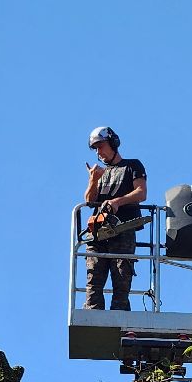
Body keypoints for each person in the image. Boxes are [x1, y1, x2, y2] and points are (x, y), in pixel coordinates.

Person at [81, 125, 147, 310]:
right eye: (95, 148)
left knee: (121, 278)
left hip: (123, 229)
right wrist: (93, 180)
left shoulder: (132, 166)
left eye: (100, 146)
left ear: (113, 143)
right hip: (98, 232)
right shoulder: (99, 173)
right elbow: (89, 201)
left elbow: (141, 193)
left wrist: (118, 201)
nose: (98, 152)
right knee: (93, 278)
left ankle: (120, 319)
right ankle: (93, 316)